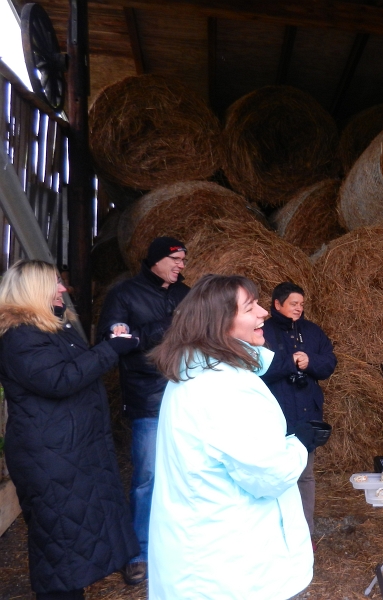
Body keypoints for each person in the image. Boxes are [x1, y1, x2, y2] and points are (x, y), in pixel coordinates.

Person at [148, 275, 314, 600]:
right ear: (222, 323)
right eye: (251, 307)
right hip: (230, 568)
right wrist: (299, 444)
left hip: (207, 551)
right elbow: (269, 474)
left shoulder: (196, 370)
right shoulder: (224, 387)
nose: (264, 312)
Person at [0, 260, 140, 600]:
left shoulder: (49, 330)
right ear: (33, 291)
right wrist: (111, 349)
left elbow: (72, 368)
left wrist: (110, 342)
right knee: (60, 549)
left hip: (66, 452)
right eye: (55, 284)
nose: (63, 288)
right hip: (50, 458)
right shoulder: (20, 337)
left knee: (69, 546)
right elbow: (59, 380)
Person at [95, 236, 191, 585]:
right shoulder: (124, 295)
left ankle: (181, 548)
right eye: (175, 259)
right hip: (148, 398)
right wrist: (164, 327)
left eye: (183, 259)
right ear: (155, 259)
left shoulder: (186, 294)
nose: (181, 265)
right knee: (146, 479)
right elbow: (113, 341)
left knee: (186, 474)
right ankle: (138, 552)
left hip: (187, 396)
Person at [260, 282, 336, 538]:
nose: (298, 308)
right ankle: (276, 535)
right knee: (275, 478)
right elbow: (258, 370)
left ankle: (305, 534)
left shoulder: (312, 331)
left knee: (305, 476)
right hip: (275, 415)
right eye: (293, 304)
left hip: (306, 414)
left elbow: (329, 363)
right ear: (277, 304)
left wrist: (310, 361)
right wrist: (290, 363)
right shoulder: (262, 332)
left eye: (301, 304)